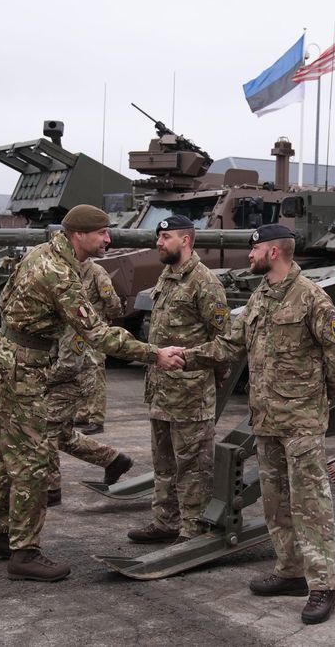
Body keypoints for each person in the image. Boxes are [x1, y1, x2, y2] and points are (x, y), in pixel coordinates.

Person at [0, 204, 185, 582]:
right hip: (24, 371)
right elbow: (98, 333)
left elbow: (5, 301)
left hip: (7, 362)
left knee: (4, 455)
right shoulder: (59, 273)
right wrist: (154, 354)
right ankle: (24, 552)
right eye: (101, 233)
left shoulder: (42, 254)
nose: (108, 239)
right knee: (34, 463)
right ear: (78, 235)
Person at [182, 224, 335, 625]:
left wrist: (316, 399)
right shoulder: (261, 296)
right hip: (266, 420)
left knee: (310, 503)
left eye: (255, 248)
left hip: (301, 423)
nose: (250, 254)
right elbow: (228, 345)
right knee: (277, 502)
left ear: (274, 252)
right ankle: (291, 572)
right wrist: (182, 356)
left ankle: (323, 586)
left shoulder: (311, 298)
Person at [127, 215, 229, 545]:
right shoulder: (168, 277)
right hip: (160, 392)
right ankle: (165, 522)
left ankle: (193, 529)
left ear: (185, 240)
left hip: (190, 394)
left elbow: (224, 342)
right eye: (159, 236)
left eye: (166, 236)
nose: (159, 242)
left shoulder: (205, 282)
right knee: (164, 464)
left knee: (194, 467)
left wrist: (189, 360)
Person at [44, 258, 131, 506]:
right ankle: (114, 460)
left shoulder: (91, 283)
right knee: (62, 435)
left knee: (45, 429)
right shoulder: (65, 288)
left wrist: (43, 380)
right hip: (71, 367)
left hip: (76, 372)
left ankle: (51, 489)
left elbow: (70, 364)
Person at [71, 259, 123, 435]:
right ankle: (83, 413)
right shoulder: (71, 270)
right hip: (77, 330)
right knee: (80, 371)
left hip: (95, 331)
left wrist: (104, 322)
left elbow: (112, 301)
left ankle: (97, 419)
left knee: (96, 371)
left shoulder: (97, 272)